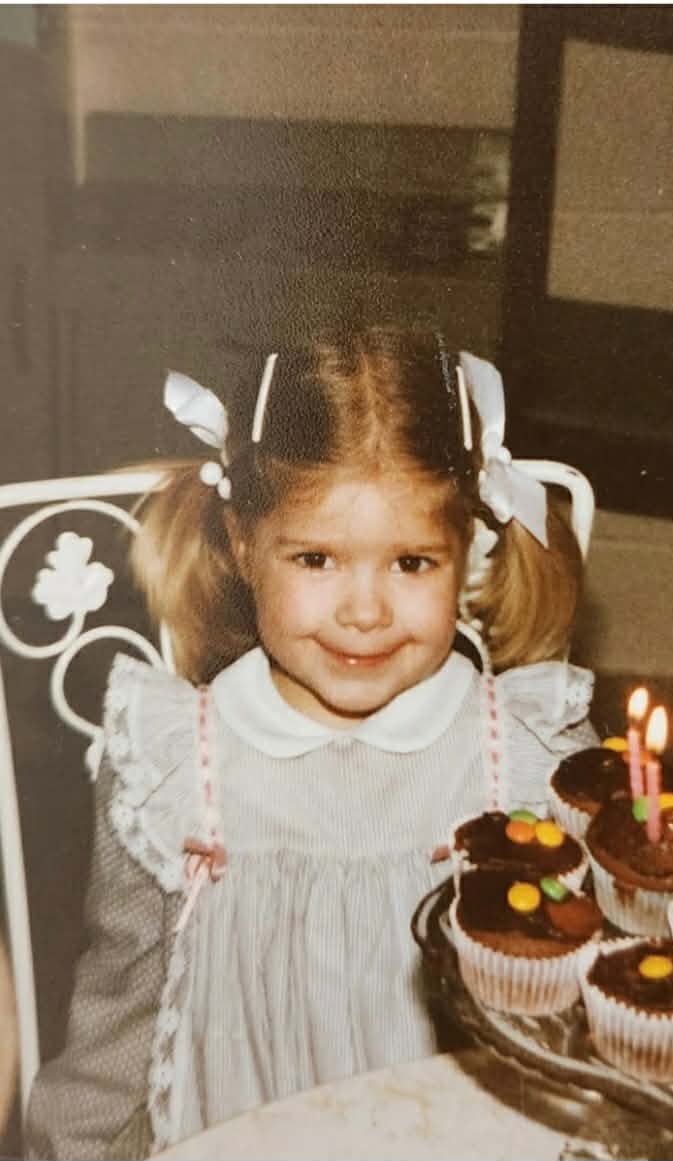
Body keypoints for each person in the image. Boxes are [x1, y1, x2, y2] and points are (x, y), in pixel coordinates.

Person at [26, 322, 598, 1159]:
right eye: (317, 559)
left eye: (410, 564)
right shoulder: (174, 767)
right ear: (244, 544)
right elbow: (121, 1015)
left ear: (466, 551)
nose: (363, 611)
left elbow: (582, 1014)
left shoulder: (527, 754)